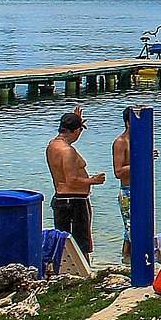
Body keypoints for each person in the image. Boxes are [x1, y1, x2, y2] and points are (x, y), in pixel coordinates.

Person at [46, 107, 104, 258]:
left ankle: (64, 272)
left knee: (64, 243)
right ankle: (84, 274)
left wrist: (76, 120)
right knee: (80, 244)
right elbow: (71, 181)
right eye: (80, 130)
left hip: (61, 199)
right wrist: (93, 181)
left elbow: (70, 133)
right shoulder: (68, 151)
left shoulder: (53, 145)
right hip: (74, 201)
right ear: (76, 131)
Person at [113, 112, 132, 263]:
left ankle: (127, 262)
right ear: (128, 122)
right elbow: (118, 172)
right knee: (131, 230)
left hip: (141, 190)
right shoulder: (121, 142)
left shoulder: (138, 140)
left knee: (135, 230)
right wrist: (141, 160)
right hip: (128, 191)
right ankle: (126, 260)